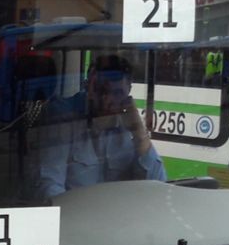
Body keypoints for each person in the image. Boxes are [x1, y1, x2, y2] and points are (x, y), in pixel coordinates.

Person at [35, 54, 167, 201]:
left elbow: (158, 188)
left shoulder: (130, 124)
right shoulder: (64, 115)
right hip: (77, 217)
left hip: (121, 218)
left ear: (129, 90)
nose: (107, 101)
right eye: (100, 91)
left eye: (117, 93)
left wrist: (140, 135)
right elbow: (48, 184)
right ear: (88, 86)